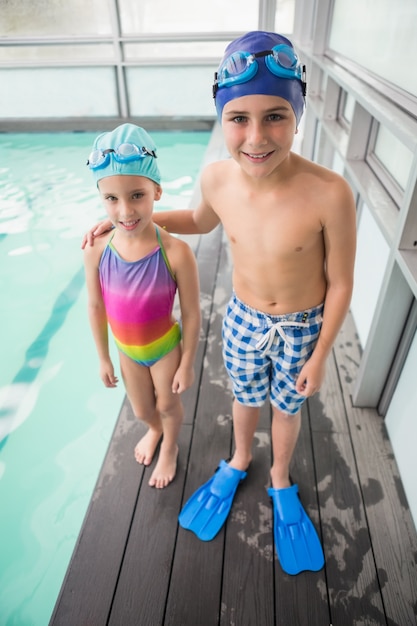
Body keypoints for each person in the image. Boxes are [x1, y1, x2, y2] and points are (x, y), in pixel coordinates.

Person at [82, 31, 356, 573]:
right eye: (238, 119)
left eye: (276, 115)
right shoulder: (217, 179)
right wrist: (132, 217)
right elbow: (199, 222)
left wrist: (322, 353)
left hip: (302, 328)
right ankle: (236, 459)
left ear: (298, 114)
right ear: (222, 119)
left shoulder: (330, 193)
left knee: (288, 407)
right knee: (244, 399)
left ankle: (279, 476)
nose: (256, 136)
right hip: (244, 320)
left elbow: (342, 282)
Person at [83, 123, 200, 489]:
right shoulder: (97, 250)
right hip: (127, 352)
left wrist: (187, 362)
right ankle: (154, 431)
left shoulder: (177, 253)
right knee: (143, 411)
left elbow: (194, 313)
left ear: (157, 191)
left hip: (165, 348)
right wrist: (103, 356)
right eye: (112, 199)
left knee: (168, 406)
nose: (125, 210)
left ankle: (171, 448)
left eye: (137, 195)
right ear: (102, 198)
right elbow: (95, 306)